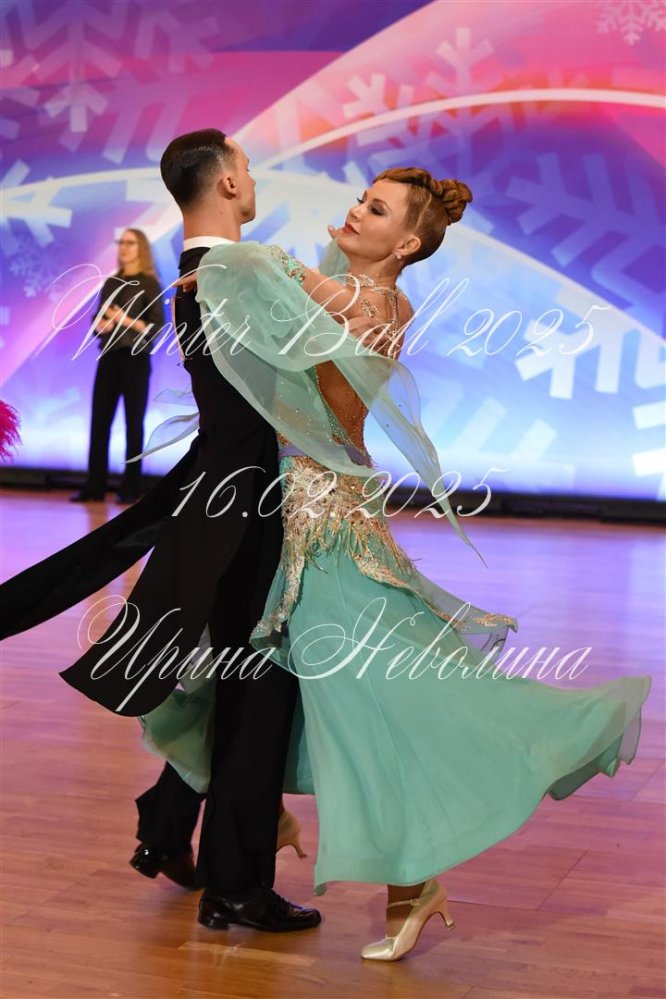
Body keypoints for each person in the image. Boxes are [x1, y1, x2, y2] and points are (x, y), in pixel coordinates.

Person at [151, 166, 651, 962]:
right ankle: (272, 824)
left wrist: (225, 263)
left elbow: (277, 280)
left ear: (407, 242)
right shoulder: (362, 297)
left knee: (378, 695)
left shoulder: (372, 304)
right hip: (307, 512)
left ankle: (409, 878)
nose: (356, 211)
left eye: (376, 208)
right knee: (292, 681)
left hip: (323, 523)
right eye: (360, 199)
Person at [0, 130, 320, 934]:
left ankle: (197, 847)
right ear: (226, 183)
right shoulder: (234, 271)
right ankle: (236, 883)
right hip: (247, 512)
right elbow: (301, 389)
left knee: (238, 690)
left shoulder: (200, 274)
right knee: (255, 698)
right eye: (246, 169)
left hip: (229, 502)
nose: (254, 180)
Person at [71, 228, 165, 504]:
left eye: (130, 243)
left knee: (134, 423)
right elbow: (98, 319)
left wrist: (125, 320)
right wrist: (101, 325)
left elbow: (157, 327)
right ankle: (94, 486)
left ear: (141, 247)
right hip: (109, 356)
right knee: (99, 422)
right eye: (121, 242)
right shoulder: (112, 282)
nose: (123, 247)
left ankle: (131, 486)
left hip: (136, 358)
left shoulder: (149, 283)